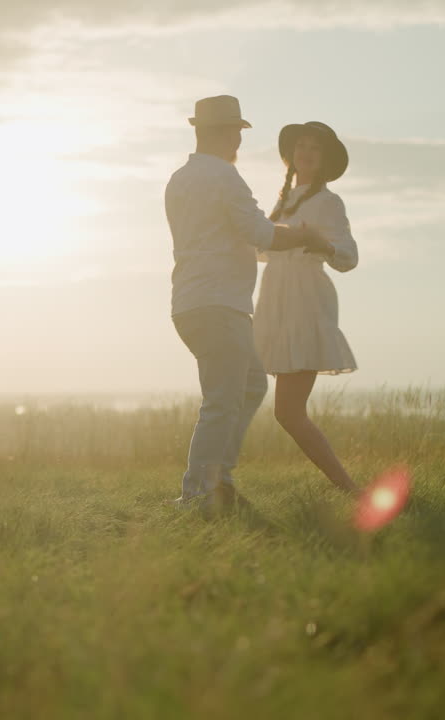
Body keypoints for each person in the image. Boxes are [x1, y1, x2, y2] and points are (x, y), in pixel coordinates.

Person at [165, 96, 334, 513]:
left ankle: (217, 477)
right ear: (225, 133)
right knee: (222, 400)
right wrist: (304, 235)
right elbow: (262, 233)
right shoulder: (224, 177)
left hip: (192, 302)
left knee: (251, 384)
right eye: (237, 132)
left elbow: (236, 233)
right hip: (219, 303)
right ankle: (198, 494)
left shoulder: (180, 179)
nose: (239, 140)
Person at [253, 121, 360, 495]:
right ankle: (214, 479)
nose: (306, 153)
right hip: (274, 300)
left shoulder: (328, 202)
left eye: (315, 148)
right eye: (301, 146)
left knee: (288, 412)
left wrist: (321, 244)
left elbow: (349, 256)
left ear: (325, 159)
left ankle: (347, 486)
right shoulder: (283, 201)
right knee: (252, 391)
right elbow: (263, 249)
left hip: (305, 300)